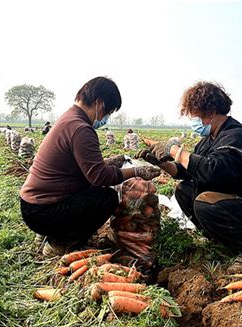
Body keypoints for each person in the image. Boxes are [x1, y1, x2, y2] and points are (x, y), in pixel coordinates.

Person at [137, 81, 242, 272]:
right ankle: (222, 240)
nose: (193, 122)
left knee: (204, 203)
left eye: (194, 116)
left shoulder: (236, 136)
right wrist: (161, 163)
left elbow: (213, 170)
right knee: (184, 190)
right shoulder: (208, 140)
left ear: (210, 112)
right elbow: (188, 171)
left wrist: (174, 149)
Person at [20, 76, 160, 256]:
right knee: (105, 198)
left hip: (33, 206)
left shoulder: (69, 119)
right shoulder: (81, 129)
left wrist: (111, 162)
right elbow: (99, 177)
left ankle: (48, 233)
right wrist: (136, 171)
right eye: (108, 112)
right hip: (43, 211)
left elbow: (80, 168)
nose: (105, 118)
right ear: (99, 103)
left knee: (93, 192)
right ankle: (59, 243)